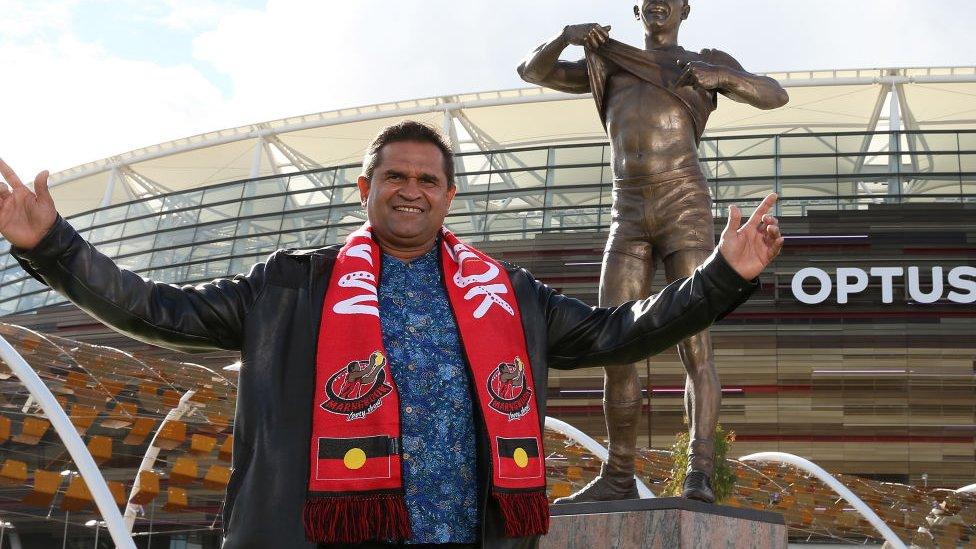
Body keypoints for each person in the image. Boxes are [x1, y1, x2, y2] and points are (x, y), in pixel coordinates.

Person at [0, 120, 782, 548]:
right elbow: (155, 309)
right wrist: (53, 246)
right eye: (395, 176)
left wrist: (723, 274)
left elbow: (621, 331)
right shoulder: (291, 285)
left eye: (427, 179)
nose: (411, 190)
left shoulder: (505, 293)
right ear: (365, 187)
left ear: (448, 195)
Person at [517, 0, 789, 503]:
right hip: (628, 212)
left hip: (682, 204)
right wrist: (564, 35)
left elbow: (775, 95)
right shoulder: (610, 59)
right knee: (613, 344)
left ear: (686, 8)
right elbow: (534, 71)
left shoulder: (703, 60)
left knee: (696, 347)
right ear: (637, 9)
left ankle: (700, 471)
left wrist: (718, 77)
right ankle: (619, 475)